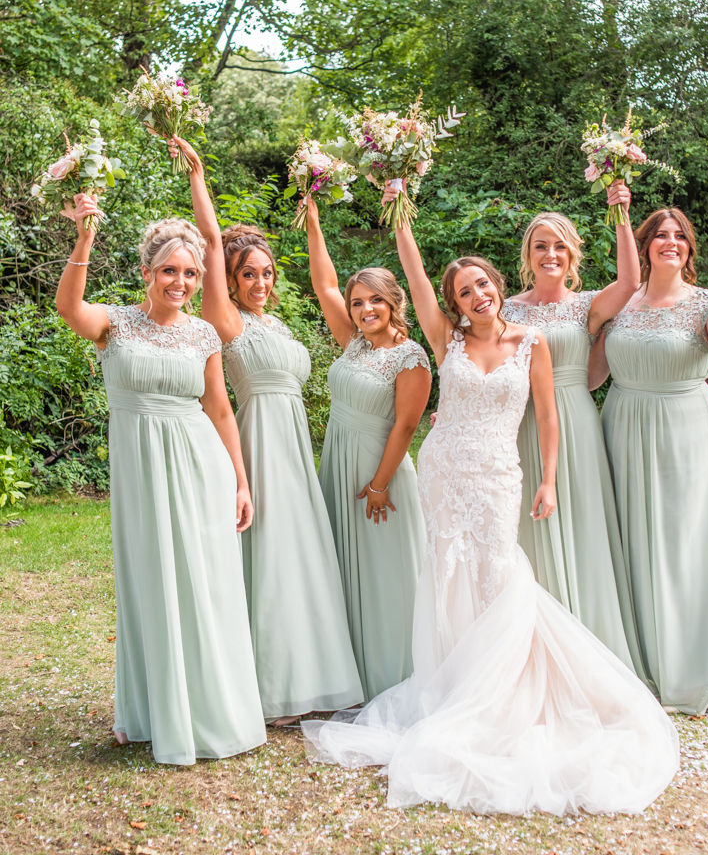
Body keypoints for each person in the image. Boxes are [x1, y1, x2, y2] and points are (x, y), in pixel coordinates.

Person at [302, 208, 679, 817]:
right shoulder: (445, 339)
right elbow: (415, 278)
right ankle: (453, 683)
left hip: (499, 475)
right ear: (454, 303)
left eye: (481, 284)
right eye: (463, 291)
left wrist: (549, 480)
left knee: (498, 574)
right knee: (447, 571)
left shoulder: (529, 343)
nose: (475, 295)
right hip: (446, 470)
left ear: (497, 285)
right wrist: (400, 210)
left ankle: (503, 691)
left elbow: (549, 417)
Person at [56, 196, 266, 764]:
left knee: (204, 579)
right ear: (148, 272)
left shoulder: (203, 336)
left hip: (201, 464)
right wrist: (84, 235)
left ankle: (210, 709)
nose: (181, 281)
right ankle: (151, 709)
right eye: (170, 270)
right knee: (150, 577)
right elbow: (69, 307)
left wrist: (241, 482)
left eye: (191, 272)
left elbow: (221, 411)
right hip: (141, 467)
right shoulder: (114, 322)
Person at [166, 137, 363, 724]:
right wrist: (199, 175)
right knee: (269, 558)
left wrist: (314, 217)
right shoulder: (223, 320)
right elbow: (206, 240)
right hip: (255, 442)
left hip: (296, 447)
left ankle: (315, 675)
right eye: (247, 272)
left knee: (303, 556)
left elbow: (328, 285)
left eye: (266, 273)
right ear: (228, 277)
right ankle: (268, 686)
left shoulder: (275, 321)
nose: (259, 280)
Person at [594, 207, 708, 713]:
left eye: (680, 236)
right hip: (622, 424)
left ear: (689, 247)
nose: (670, 242)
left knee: (684, 541)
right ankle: (640, 662)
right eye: (660, 235)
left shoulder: (706, 304)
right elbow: (587, 377)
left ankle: (692, 666)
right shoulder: (620, 304)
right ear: (645, 244)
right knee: (630, 538)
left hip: (684, 430)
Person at [502, 181, 644, 675]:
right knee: (527, 528)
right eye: (541, 245)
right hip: (521, 424)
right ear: (528, 254)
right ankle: (535, 649)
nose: (550, 253)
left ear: (572, 253)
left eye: (560, 245)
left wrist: (621, 211)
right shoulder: (507, 309)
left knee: (582, 524)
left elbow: (630, 282)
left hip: (575, 422)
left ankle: (590, 644)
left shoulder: (587, 306)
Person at [304, 195, 431, 700]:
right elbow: (324, 284)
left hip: (381, 475)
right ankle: (349, 673)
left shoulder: (411, 356)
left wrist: (378, 485)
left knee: (384, 576)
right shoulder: (353, 343)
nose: (363, 310)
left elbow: (404, 427)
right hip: (338, 464)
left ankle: (394, 676)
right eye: (357, 303)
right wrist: (313, 220)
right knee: (340, 569)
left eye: (374, 301)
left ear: (393, 302)